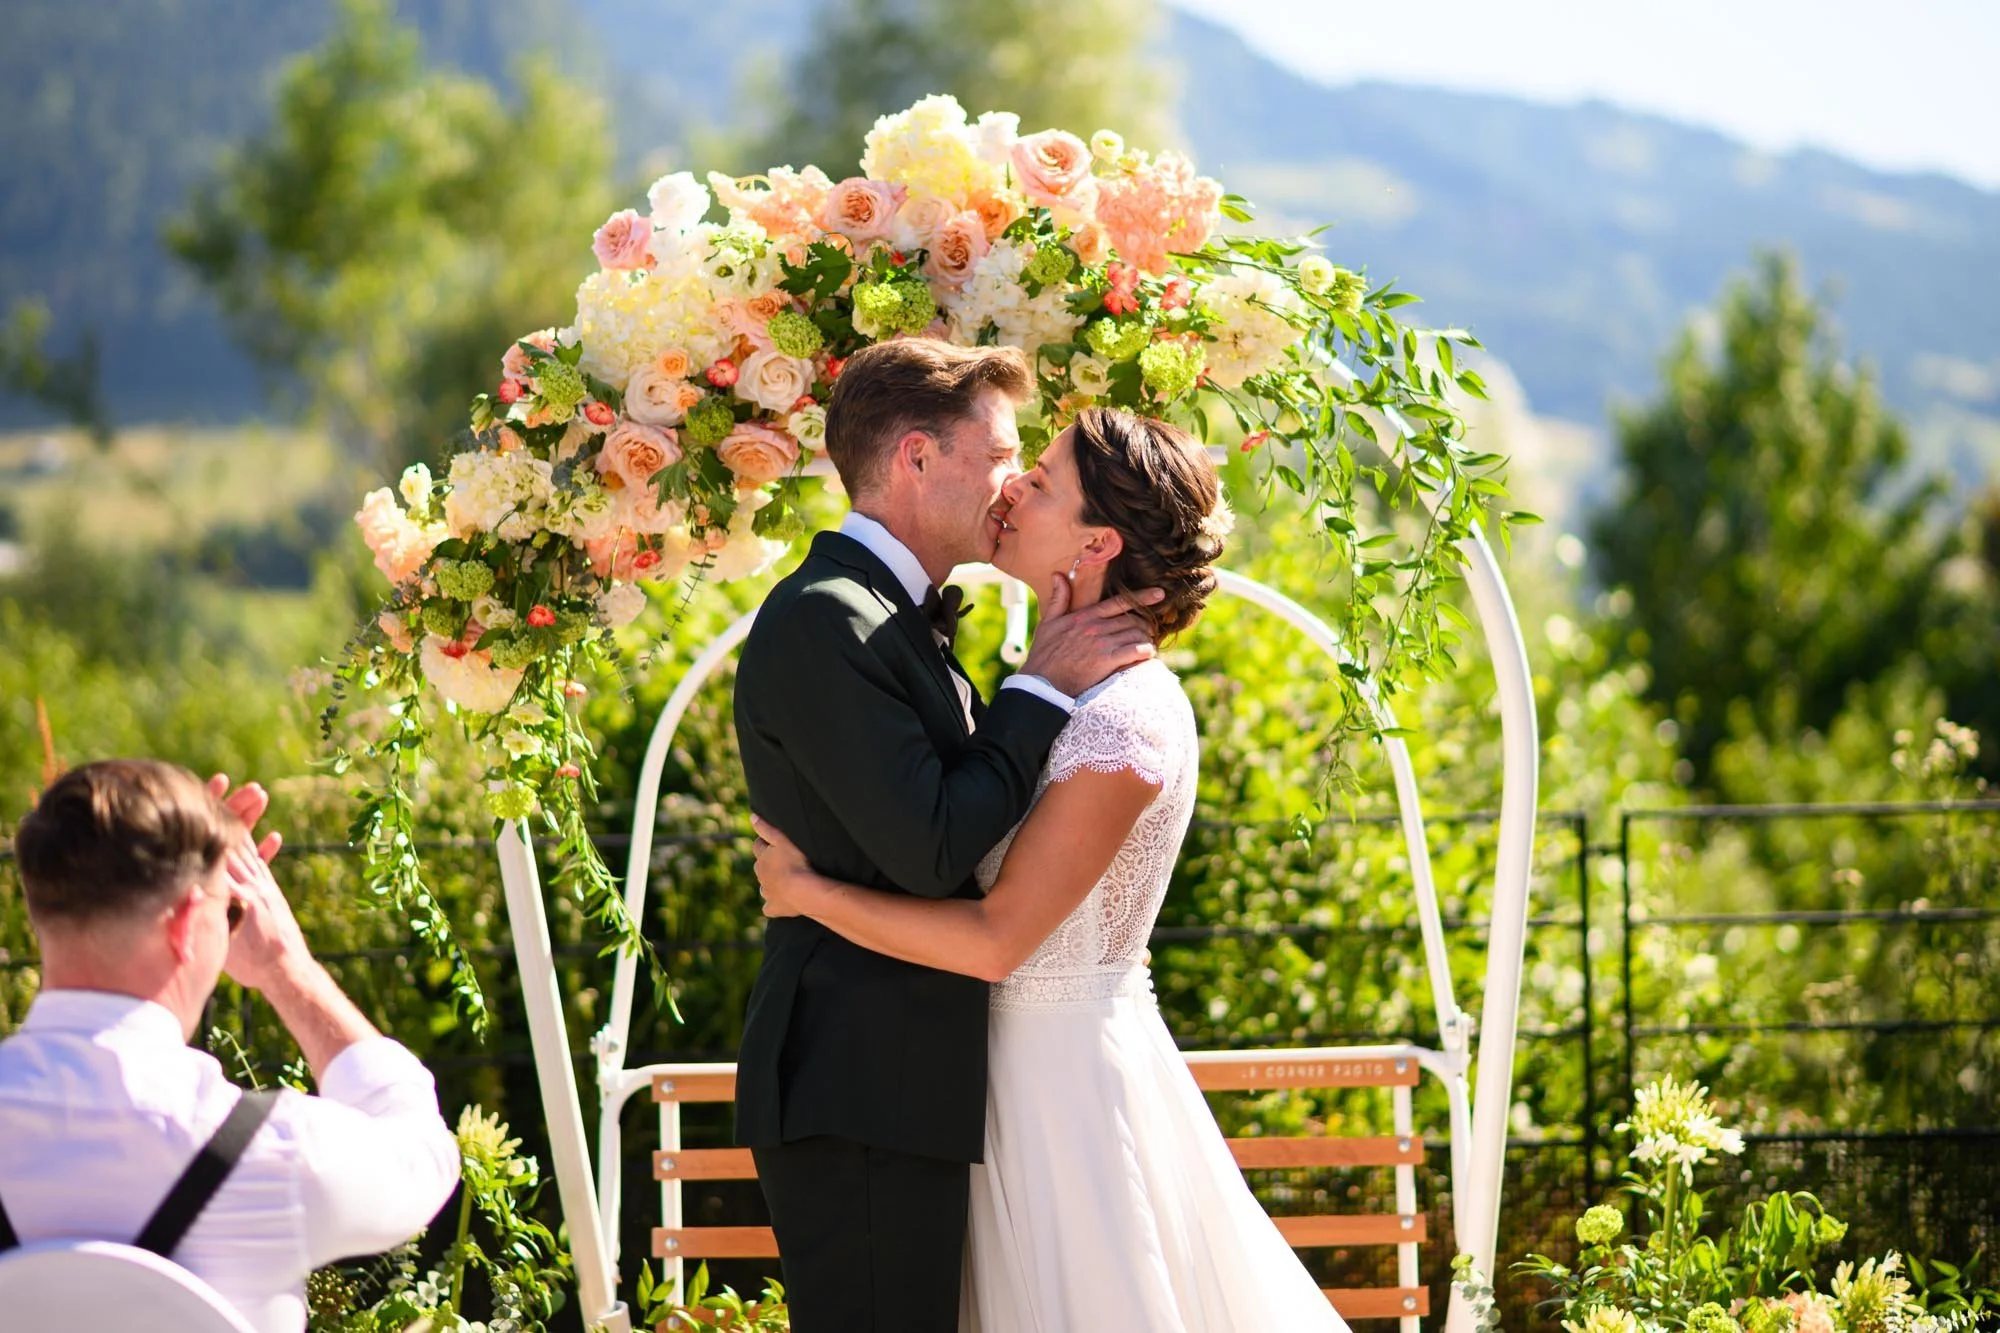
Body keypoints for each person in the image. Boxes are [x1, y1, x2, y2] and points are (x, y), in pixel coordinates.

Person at [752, 407, 1351, 1332]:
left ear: (1098, 541)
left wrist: (806, 896)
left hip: (1065, 1101)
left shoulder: (1127, 719)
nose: (1013, 489)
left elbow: (997, 940)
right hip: (993, 1087)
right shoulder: (1067, 689)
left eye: (1038, 478)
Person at [731, 340, 1163, 1332]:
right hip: (858, 1083)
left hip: (897, 1083)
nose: (1012, 486)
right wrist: (1039, 688)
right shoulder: (822, 621)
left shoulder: (887, 614)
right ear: (918, 459)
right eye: (1002, 453)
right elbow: (931, 845)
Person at [0, 760, 460, 1333]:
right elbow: (422, 1156)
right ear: (188, 922)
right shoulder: (270, 1154)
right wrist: (288, 967)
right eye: (232, 911)